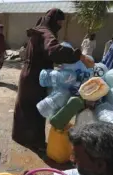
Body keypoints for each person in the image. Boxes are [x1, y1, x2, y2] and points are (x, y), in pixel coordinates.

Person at [12, 8, 93, 152]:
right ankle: (35, 142)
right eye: (59, 23)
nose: (60, 26)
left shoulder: (38, 30)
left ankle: (20, 137)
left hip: (27, 73)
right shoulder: (46, 33)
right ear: (53, 21)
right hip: (38, 76)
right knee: (37, 108)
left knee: (25, 106)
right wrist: (78, 56)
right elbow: (54, 51)